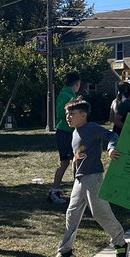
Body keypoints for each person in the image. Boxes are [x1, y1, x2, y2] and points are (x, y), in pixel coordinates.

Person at [44, 100, 130, 257]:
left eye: (72, 114)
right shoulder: (75, 132)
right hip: (80, 179)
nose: (68, 117)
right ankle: (65, 251)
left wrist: (111, 148)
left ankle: (121, 243)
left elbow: (112, 135)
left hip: (93, 177)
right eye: (67, 114)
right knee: (72, 213)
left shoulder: (91, 128)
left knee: (100, 212)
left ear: (83, 115)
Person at [50, 72, 82, 204]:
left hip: (72, 132)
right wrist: (75, 104)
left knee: (77, 160)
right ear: (76, 84)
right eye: (79, 84)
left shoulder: (71, 95)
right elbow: (61, 113)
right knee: (65, 162)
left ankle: (78, 192)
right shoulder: (65, 95)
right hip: (65, 132)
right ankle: (54, 192)